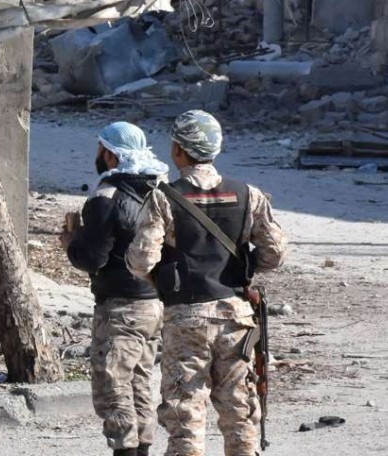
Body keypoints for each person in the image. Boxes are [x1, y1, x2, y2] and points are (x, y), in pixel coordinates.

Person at [126, 110, 288, 456]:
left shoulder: (163, 197)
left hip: (186, 319)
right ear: (215, 149)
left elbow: (141, 260)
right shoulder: (247, 195)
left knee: (185, 415)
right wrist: (241, 270)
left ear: (178, 151)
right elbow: (274, 254)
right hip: (237, 319)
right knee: (240, 413)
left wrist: (164, 281)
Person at [62, 122, 168, 456]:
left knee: (112, 389)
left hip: (121, 307)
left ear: (110, 154)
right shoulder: (159, 189)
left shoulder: (106, 196)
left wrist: (71, 243)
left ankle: (126, 450)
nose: (98, 156)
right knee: (139, 383)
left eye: (100, 149)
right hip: (155, 304)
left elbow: (93, 258)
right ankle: (143, 448)